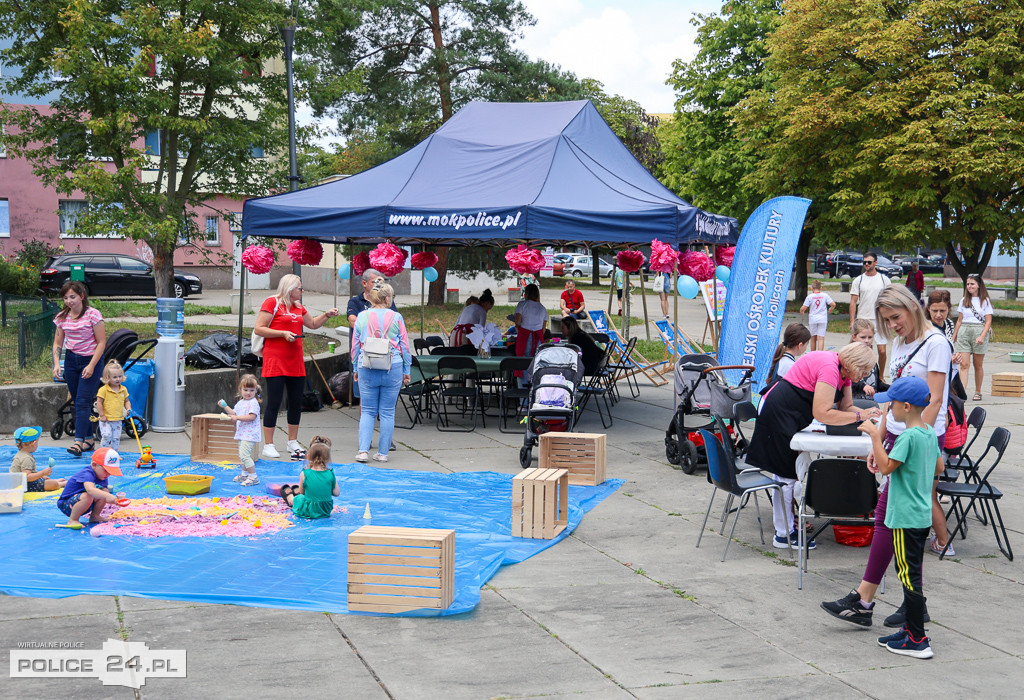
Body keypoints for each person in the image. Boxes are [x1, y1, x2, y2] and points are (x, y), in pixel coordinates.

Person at [821, 285, 954, 630]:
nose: (892, 325)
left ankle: (870, 602)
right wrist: (879, 438)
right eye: (886, 320)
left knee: (899, 520)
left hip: (919, 438)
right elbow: (891, 399)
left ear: (912, 307)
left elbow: (936, 401)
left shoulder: (936, 344)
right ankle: (899, 603)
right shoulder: (899, 343)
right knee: (893, 519)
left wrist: (907, 444)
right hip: (897, 436)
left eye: (896, 317)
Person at [745, 343, 881, 549]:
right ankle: (784, 534)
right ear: (854, 364)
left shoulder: (843, 371)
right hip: (780, 413)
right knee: (785, 475)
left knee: (787, 474)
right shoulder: (829, 368)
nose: (865, 375)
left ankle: (787, 527)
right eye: (864, 370)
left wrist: (869, 414)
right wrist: (860, 415)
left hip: (792, 414)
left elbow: (845, 407)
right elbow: (822, 413)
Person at [860, 376, 943, 659]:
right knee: (910, 574)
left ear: (906, 406)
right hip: (920, 515)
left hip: (904, 517)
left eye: (892, 404)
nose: (889, 409)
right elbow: (939, 466)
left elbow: (885, 468)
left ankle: (917, 639)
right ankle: (910, 630)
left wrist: (874, 436)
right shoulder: (929, 432)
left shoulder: (907, 437)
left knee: (909, 578)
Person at [254, 274, 340, 460]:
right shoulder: (272, 302)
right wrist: (282, 333)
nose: (302, 291)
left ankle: (292, 441)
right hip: (275, 360)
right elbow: (259, 328)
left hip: (295, 361)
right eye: (299, 288)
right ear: (290, 288)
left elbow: (313, 324)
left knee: (295, 402)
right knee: (274, 403)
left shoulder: (299, 307)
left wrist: (326, 314)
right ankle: (268, 444)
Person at [351, 284, 411, 463]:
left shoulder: (361, 317)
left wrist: (355, 368)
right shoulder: (396, 317)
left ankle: (363, 451)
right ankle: (383, 453)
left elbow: (355, 347)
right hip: (392, 366)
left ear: (371, 298)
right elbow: (405, 346)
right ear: (387, 299)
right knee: (387, 412)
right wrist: (406, 370)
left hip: (367, 366)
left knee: (367, 411)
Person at [52, 280, 106, 457]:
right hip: (71, 361)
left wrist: (91, 365)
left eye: (72, 297)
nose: (69, 301)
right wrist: (56, 363)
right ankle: (89, 441)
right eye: (66, 297)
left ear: (82, 296)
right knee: (77, 401)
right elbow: (58, 343)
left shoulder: (93, 315)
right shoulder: (62, 317)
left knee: (83, 401)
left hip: (91, 359)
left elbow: (101, 342)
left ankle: (78, 441)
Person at [56, 447, 122, 529]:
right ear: (94, 465)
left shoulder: (103, 476)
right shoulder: (87, 473)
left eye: (110, 472)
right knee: (89, 495)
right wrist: (106, 496)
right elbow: (90, 490)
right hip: (66, 505)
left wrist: (113, 500)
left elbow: (103, 494)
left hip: (83, 503)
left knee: (104, 491)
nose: (108, 474)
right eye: (106, 470)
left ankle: (94, 516)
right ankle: (72, 520)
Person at [849, 252, 892, 377]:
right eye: (864, 262)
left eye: (869, 262)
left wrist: (889, 319)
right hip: (863, 319)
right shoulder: (859, 280)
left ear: (875, 263)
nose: (866, 264)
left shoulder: (884, 280)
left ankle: (881, 376)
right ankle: (866, 375)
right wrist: (852, 321)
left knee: (882, 350)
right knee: (866, 350)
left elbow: (890, 300)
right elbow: (853, 301)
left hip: (880, 320)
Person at [952, 274, 993, 401]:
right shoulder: (963, 300)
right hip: (964, 331)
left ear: (978, 285)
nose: (969, 286)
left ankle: (978, 391)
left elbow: (988, 321)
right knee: (964, 364)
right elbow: (959, 320)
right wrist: (954, 336)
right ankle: (962, 392)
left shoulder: (985, 300)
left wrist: (982, 336)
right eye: (968, 284)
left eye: (972, 284)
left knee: (977, 364)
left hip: (978, 331)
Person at [280, 436, 338, 519]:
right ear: (327, 458)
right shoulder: (330, 473)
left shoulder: (305, 473)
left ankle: (290, 498)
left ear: (309, 456)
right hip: (325, 510)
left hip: (309, 510)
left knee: (299, 498)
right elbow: (336, 493)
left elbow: (302, 492)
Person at [221, 374, 262, 486]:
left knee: (244, 455)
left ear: (255, 390)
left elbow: (251, 417)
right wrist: (225, 407)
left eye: (251, 390)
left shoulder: (253, 403)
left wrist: (237, 418)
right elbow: (234, 413)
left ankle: (253, 477)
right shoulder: (241, 402)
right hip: (242, 433)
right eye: (245, 390)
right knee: (242, 454)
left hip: (250, 434)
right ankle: (245, 474)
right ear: (240, 389)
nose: (248, 392)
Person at [10, 426, 65, 492]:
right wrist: (42, 473)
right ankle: (61, 484)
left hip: (19, 482)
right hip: (22, 485)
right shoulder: (26, 458)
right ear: (33, 443)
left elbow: (28, 474)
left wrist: (40, 476)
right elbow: (27, 477)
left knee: (47, 480)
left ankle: (56, 482)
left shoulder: (21, 454)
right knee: (53, 484)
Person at [94, 360, 130, 452]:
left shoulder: (123, 389)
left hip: (117, 419)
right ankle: (103, 452)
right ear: (107, 378)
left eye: (120, 376)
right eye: (114, 377)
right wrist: (102, 414)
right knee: (107, 435)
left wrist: (128, 408)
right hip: (106, 419)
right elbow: (99, 402)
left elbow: (126, 401)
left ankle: (114, 453)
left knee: (116, 438)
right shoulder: (103, 390)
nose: (118, 379)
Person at [850, 319, 888, 399]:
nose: (867, 341)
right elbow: (844, 380)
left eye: (870, 337)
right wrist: (862, 386)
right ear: (854, 337)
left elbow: (876, 383)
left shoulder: (872, 360)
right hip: (852, 403)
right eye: (863, 337)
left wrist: (892, 388)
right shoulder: (849, 357)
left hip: (870, 403)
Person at [800, 279, 836, 351]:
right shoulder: (825, 295)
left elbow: (803, 308)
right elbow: (833, 304)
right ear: (821, 288)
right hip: (822, 319)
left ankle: (813, 353)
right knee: (821, 338)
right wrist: (831, 309)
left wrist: (802, 312)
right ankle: (820, 353)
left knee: (813, 337)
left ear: (811, 288)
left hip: (813, 319)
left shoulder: (810, 297)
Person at [513, 284, 547, 357]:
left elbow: (517, 322)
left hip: (525, 336)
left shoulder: (522, 304)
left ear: (526, 293)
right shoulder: (542, 308)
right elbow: (543, 329)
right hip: (538, 338)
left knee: (523, 361)